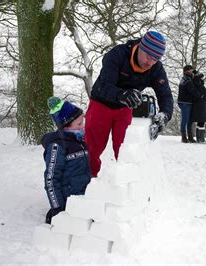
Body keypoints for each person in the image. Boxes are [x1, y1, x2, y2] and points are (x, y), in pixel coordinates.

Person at [85, 31, 174, 177]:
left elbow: (165, 95)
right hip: (101, 103)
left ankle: (125, 184)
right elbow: (104, 85)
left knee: (125, 147)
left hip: (124, 108)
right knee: (93, 147)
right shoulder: (117, 55)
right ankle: (89, 181)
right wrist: (122, 94)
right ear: (140, 47)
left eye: (155, 59)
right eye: (148, 57)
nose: (150, 63)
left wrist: (165, 114)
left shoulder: (156, 68)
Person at [41, 96, 92, 224]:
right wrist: (58, 208)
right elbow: (51, 179)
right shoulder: (57, 146)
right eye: (79, 124)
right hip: (69, 204)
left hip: (84, 199)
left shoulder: (79, 141)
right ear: (66, 126)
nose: (83, 127)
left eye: (83, 123)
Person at [178, 65, 202, 143]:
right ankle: (184, 137)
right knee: (185, 119)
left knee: (190, 120)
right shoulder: (186, 80)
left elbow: (199, 83)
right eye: (191, 70)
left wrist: (197, 74)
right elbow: (193, 90)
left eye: (192, 70)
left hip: (188, 102)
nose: (192, 71)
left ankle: (190, 136)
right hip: (185, 102)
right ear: (186, 71)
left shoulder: (189, 78)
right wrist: (201, 95)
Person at [190, 70, 206, 144]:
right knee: (201, 121)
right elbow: (201, 95)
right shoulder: (197, 84)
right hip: (199, 105)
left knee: (201, 121)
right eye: (201, 77)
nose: (203, 79)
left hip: (200, 104)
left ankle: (200, 138)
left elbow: (203, 95)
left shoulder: (197, 83)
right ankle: (201, 139)